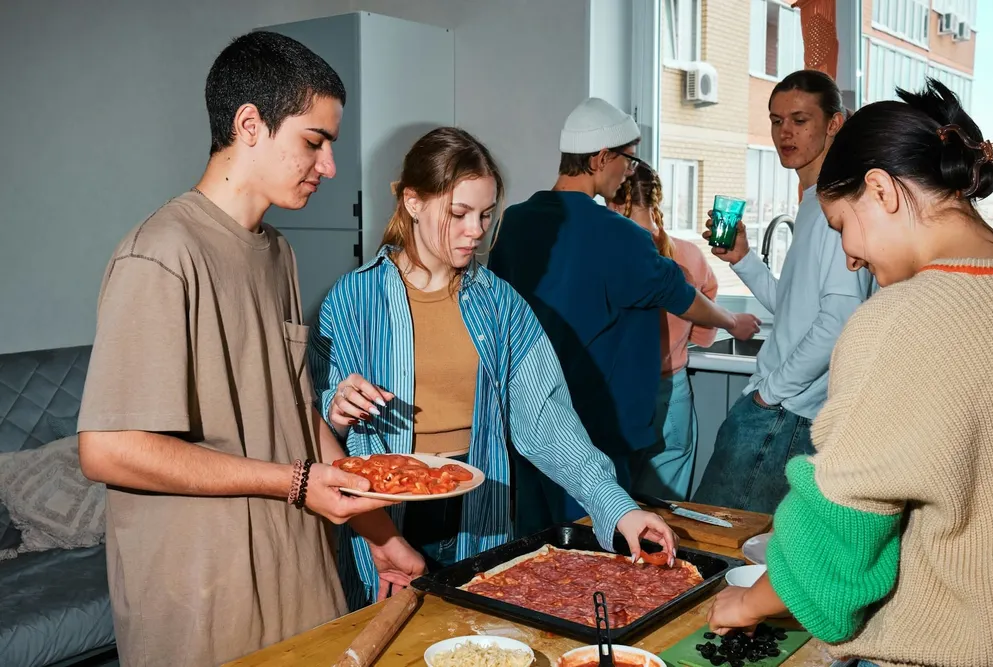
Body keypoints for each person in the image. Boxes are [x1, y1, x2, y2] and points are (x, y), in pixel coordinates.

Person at [76, 32, 421, 667]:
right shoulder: (160, 254)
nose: (329, 167)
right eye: (314, 143)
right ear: (250, 125)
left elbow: (295, 408)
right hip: (204, 595)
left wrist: (380, 535)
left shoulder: (278, 252)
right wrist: (295, 483)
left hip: (300, 571)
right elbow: (109, 449)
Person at [307, 126, 679, 608]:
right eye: (458, 213)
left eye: (485, 215)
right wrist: (334, 409)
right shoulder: (350, 299)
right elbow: (309, 419)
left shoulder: (499, 303)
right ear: (414, 203)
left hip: (479, 517)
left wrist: (618, 507)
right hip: (381, 524)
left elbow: (548, 422)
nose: (477, 230)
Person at [706, 79, 993, 667]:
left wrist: (748, 605)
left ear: (881, 190)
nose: (850, 258)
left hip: (927, 647)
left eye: (843, 228)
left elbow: (844, 525)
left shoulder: (899, 319)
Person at [488, 97, 760, 533]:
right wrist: (730, 321)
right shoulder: (620, 236)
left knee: (538, 549)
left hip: (530, 423)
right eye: (628, 160)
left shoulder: (513, 223)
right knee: (598, 553)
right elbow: (682, 297)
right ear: (600, 159)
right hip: (597, 429)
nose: (629, 172)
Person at [692, 70, 872, 514]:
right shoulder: (814, 201)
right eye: (776, 121)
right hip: (780, 410)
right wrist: (743, 260)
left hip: (785, 414)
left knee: (716, 537)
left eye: (799, 120)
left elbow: (839, 322)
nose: (783, 133)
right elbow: (795, 310)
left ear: (835, 123)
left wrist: (770, 393)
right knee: (735, 542)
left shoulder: (837, 204)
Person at [606, 164, 719, 501]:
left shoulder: (610, 252)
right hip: (673, 389)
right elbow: (706, 307)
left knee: (614, 501)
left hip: (618, 393)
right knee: (665, 507)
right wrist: (687, 338)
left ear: (614, 203)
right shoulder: (690, 254)